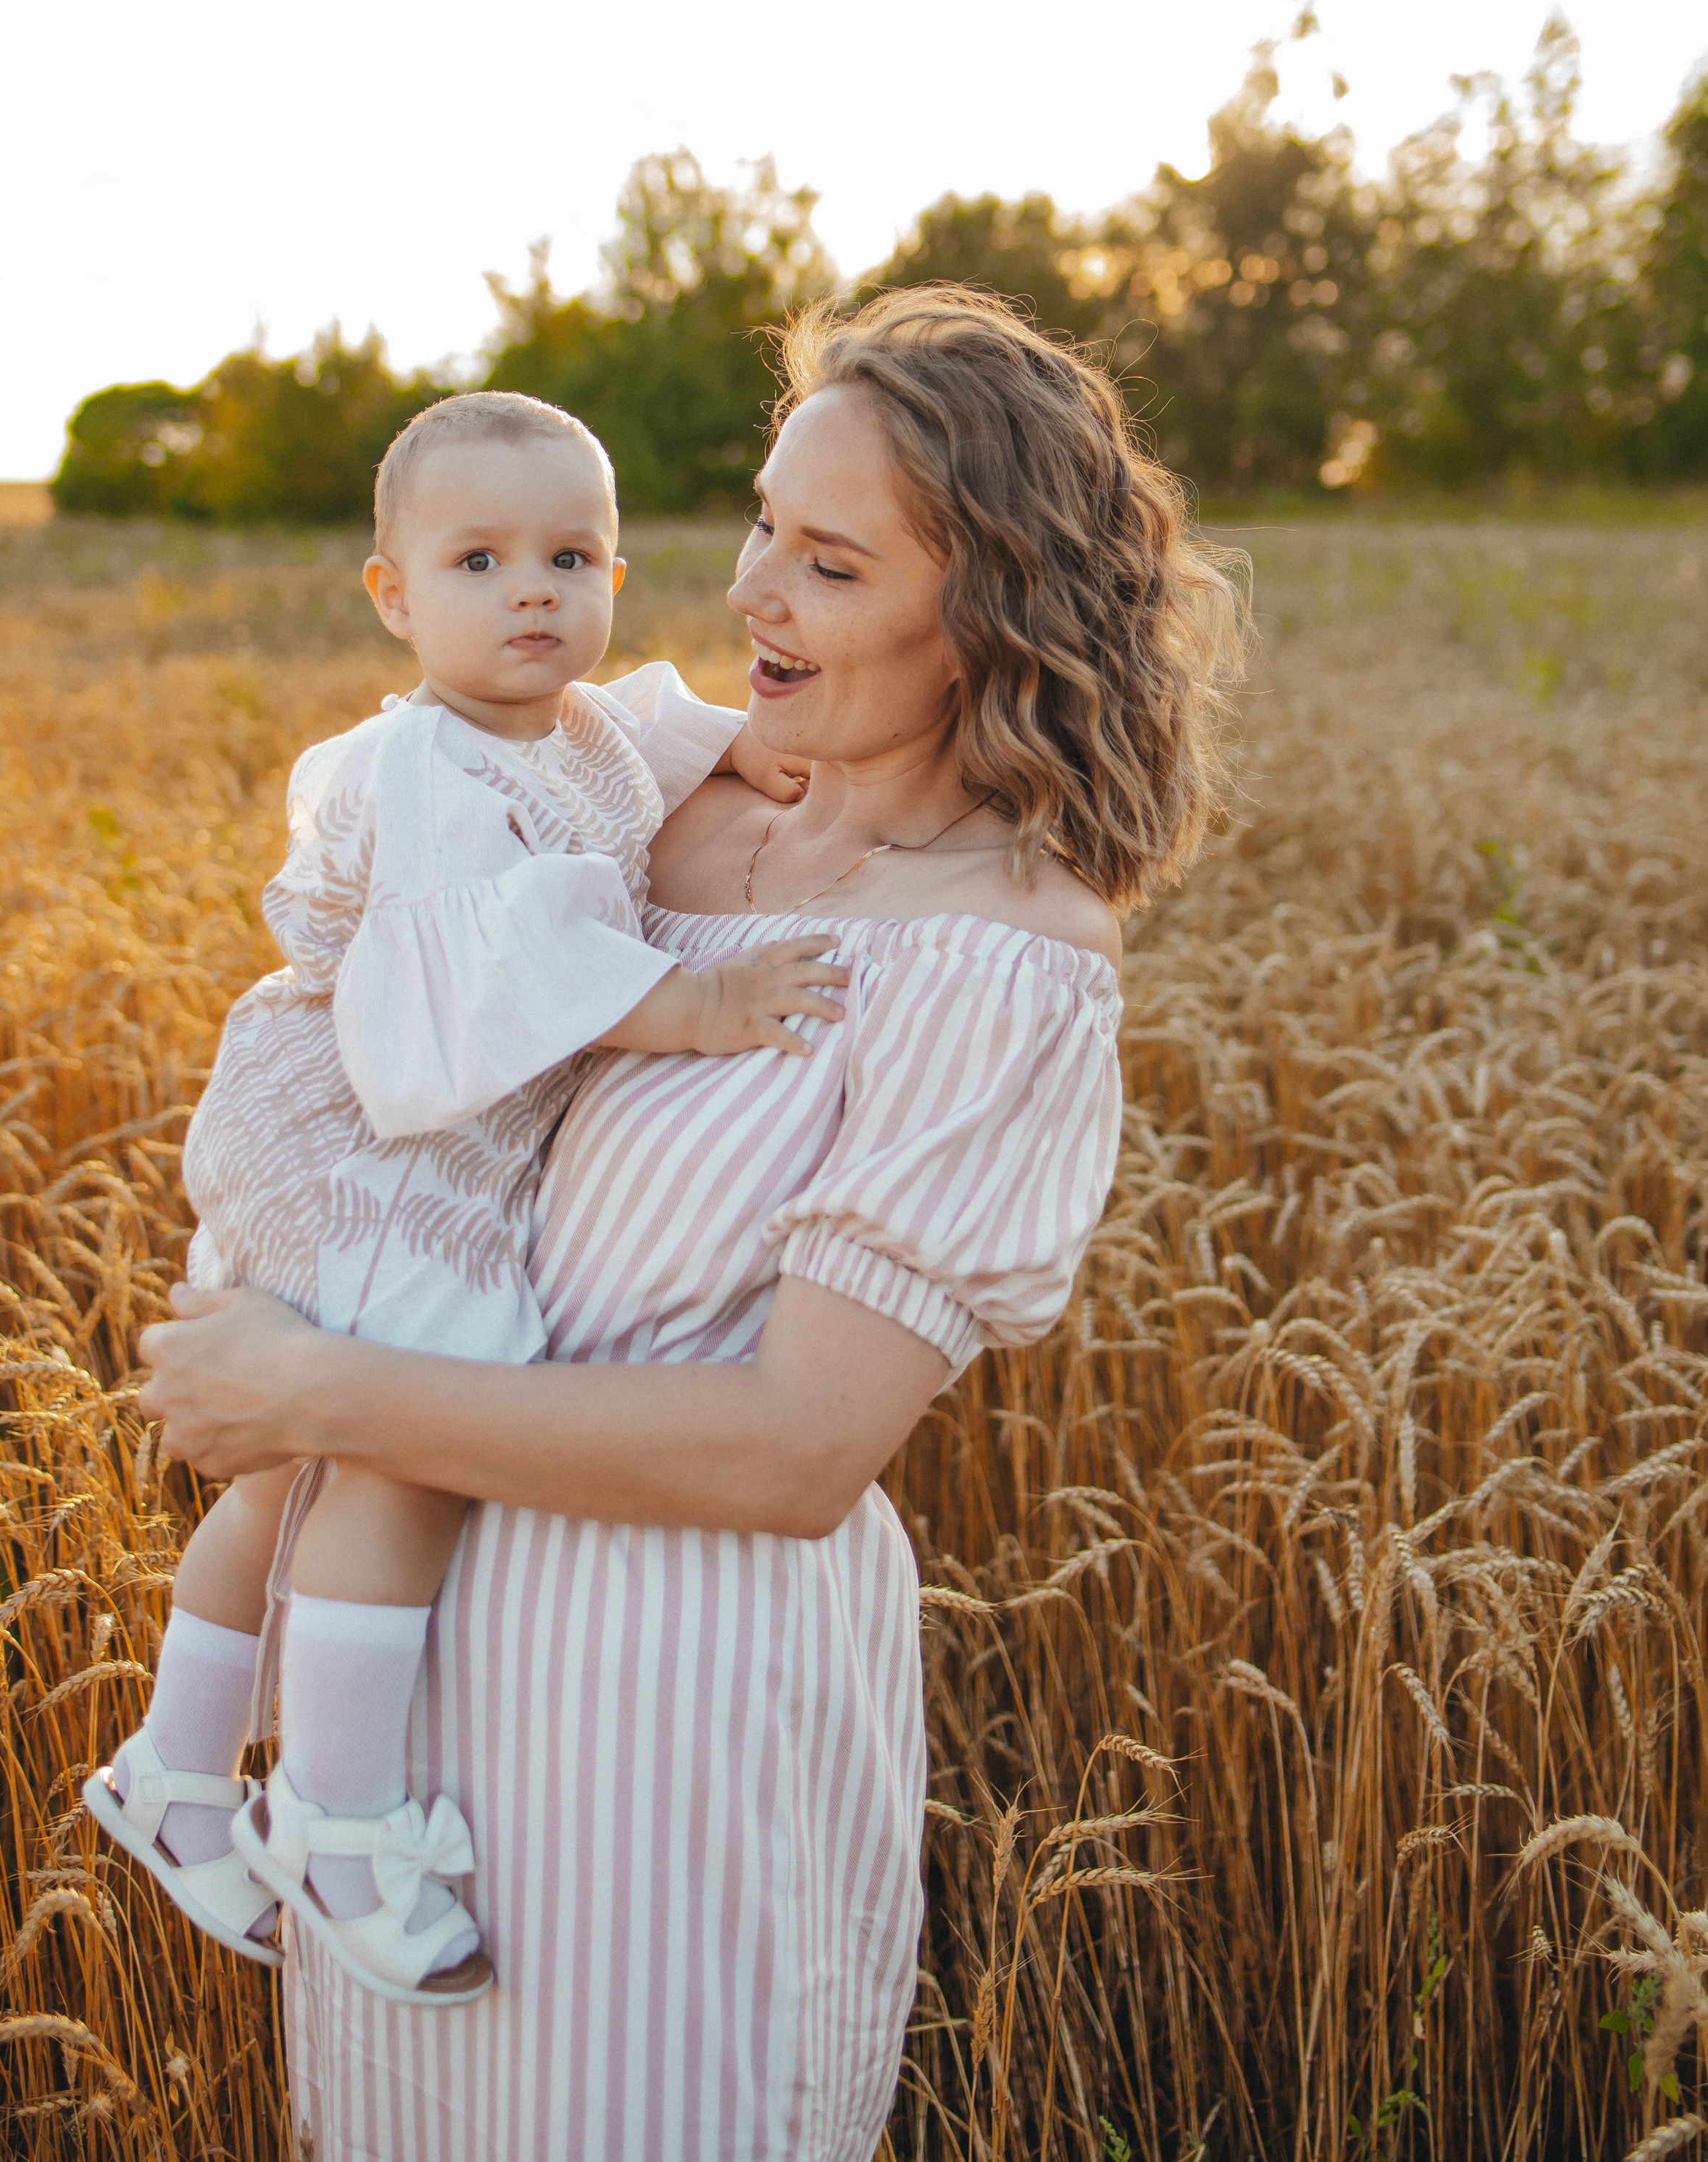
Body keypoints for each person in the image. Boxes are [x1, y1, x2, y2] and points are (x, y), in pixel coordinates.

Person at [139, 287, 1243, 2159]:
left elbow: (796, 1450)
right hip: (397, 1733)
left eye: (825, 563)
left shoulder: (1000, 962)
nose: (748, 592)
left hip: (672, 1730)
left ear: (985, 613)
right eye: (755, 523)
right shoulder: (640, 810)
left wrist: (321, 1390)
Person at [85, 389, 843, 2007]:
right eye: (480, 558)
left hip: (383, 1136)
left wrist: (758, 748)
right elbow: (511, 971)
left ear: (614, 575)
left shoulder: (562, 726)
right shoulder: (431, 771)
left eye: (569, 557)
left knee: (288, 1474)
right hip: (367, 1139)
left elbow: (654, 734)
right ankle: (341, 1825)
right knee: (410, 1441)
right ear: (392, 594)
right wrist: (697, 1006)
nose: (530, 594)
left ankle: (173, 1768)